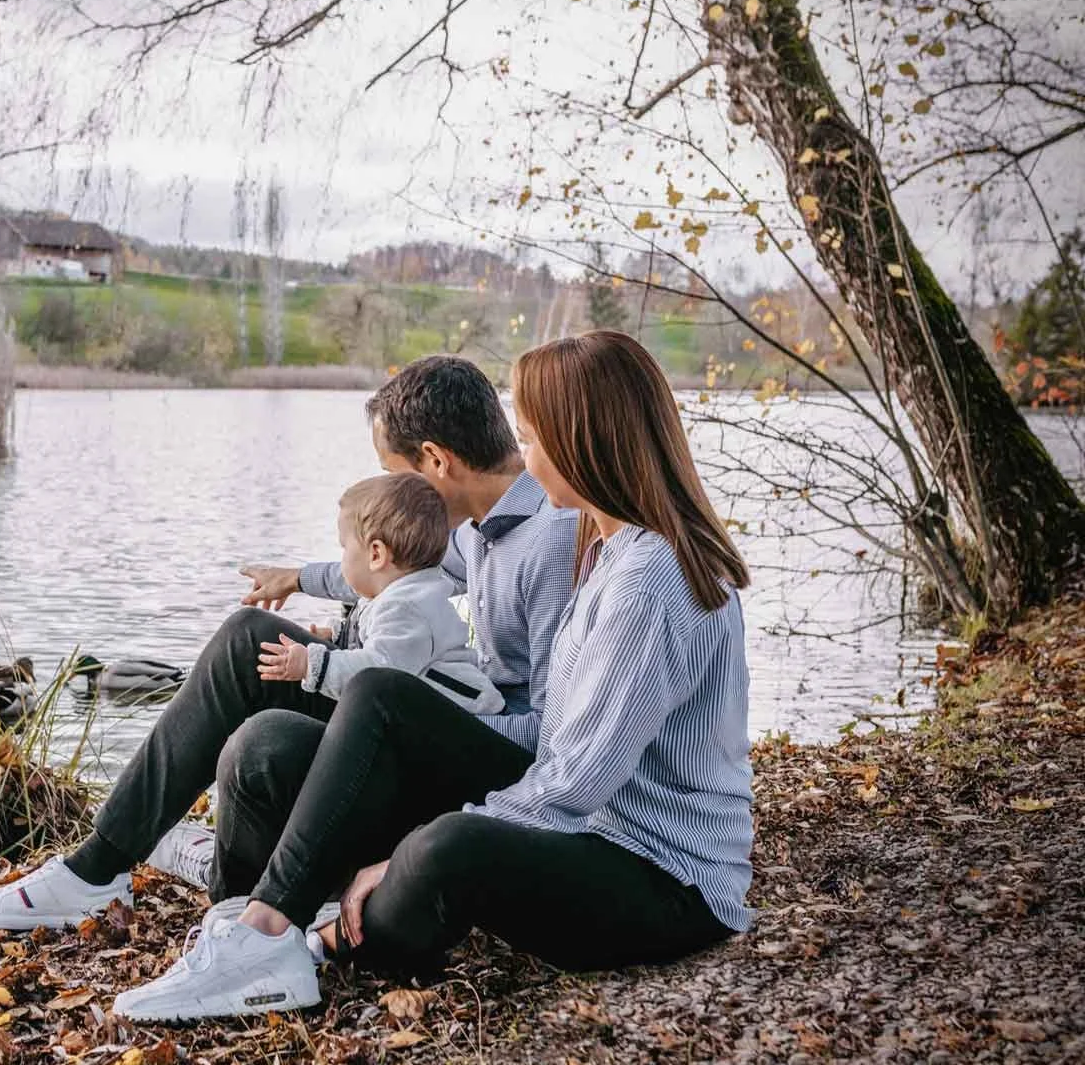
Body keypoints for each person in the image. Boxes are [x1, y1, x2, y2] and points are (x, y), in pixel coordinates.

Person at [111, 330, 755, 1022]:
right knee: (288, 739)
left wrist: (417, 836)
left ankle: (290, 936)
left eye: (534, 440)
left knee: (443, 841)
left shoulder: (645, 585)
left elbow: (574, 781)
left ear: (584, 444)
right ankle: (255, 928)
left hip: (663, 876)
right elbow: (407, 576)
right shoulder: (607, 548)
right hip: (587, 826)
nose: (527, 463)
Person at [0, 356, 578, 932]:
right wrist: (299, 579)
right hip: (431, 727)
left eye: (394, 476)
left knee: (268, 654)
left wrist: (427, 712)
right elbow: (393, 568)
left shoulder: (549, 544)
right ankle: (112, 871)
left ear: (436, 462)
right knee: (262, 732)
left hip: (487, 764)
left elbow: (557, 734)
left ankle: (101, 867)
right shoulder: (479, 532)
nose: (392, 501)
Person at [257, 473, 503, 717]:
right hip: (423, 709)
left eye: (344, 547)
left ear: (376, 554)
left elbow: (377, 672)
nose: (342, 559)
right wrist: (340, 636)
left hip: (464, 719)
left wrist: (312, 665)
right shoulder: (397, 593)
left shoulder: (407, 606)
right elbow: (386, 641)